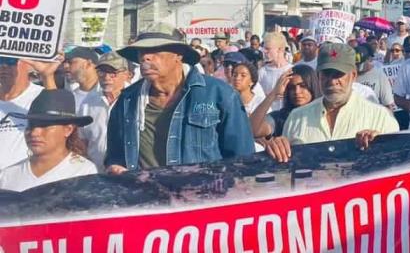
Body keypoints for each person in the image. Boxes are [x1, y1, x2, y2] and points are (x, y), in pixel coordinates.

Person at [105, 24, 255, 173]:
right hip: (144, 194)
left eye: (155, 50)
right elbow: (114, 156)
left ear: (178, 55)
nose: (146, 57)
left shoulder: (219, 94)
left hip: (201, 194)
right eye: (141, 51)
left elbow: (243, 160)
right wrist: (115, 168)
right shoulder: (127, 100)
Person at [266, 43, 399, 158]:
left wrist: (381, 144)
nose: (332, 81)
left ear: (353, 75)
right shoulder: (296, 117)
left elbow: (396, 164)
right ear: (318, 76)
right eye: (326, 74)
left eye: (338, 74)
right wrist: (278, 147)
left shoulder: (381, 118)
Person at [0, 89, 97, 191]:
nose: (34, 133)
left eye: (44, 125)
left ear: (68, 130)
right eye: (31, 125)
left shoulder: (84, 173)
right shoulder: (7, 177)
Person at [0, 57, 59, 170]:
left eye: (11, 61)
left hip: (27, 181)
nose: (3, 66)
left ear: (28, 64)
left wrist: (47, 76)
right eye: (0, 61)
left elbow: (58, 121)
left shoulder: (41, 95)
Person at [78, 51, 130, 169]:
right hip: (96, 174)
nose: (106, 78)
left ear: (126, 74)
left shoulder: (136, 99)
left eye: (113, 73)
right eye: (101, 72)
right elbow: (82, 141)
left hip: (129, 174)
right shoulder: (88, 103)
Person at [250, 64, 317, 139]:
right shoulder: (280, 117)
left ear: (312, 86)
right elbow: (252, 130)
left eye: (303, 86)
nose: (297, 91)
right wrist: (274, 93)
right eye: (291, 87)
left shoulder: (323, 114)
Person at [257, 32, 294, 112]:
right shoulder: (262, 72)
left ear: (280, 49)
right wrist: (271, 96)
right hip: (266, 117)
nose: (264, 51)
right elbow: (255, 96)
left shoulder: (292, 70)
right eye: (264, 48)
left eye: (268, 49)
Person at [355, 43, 396, 110]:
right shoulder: (350, 76)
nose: (358, 68)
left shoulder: (379, 75)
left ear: (369, 59)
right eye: (356, 65)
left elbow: (388, 104)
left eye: (361, 64)